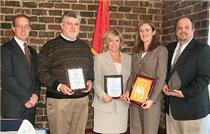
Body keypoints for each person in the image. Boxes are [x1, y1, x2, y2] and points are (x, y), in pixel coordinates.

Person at [36, 11, 94, 134]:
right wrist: (59, 86)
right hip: (59, 101)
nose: (73, 27)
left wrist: (89, 81)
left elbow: (90, 69)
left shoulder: (85, 47)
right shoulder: (50, 46)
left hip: (81, 100)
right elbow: (40, 72)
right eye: (69, 24)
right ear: (61, 26)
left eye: (76, 24)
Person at [162, 16, 210, 134]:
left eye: (187, 27)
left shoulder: (203, 49)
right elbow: (166, 72)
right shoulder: (169, 48)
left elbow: (205, 78)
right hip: (172, 111)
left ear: (193, 30)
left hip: (192, 112)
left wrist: (184, 93)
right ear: (176, 31)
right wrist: (164, 83)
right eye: (179, 28)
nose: (183, 30)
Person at [124, 21, 168, 134]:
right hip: (135, 96)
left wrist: (152, 100)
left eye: (147, 30)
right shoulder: (136, 51)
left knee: (149, 130)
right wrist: (128, 91)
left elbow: (161, 77)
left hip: (150, 100)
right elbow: (133, 74)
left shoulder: (161, 50)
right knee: (135, 129)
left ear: (153, 32)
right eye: (141, 31)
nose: (144, 33)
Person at [1, 14, 40, 126]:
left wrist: (36, 94)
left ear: (30, 29)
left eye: (26, 26)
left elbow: (37, 77)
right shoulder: (4, 50)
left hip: (31, 107)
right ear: (13, 28)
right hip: (14, 107)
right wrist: (27, 98)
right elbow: (7, 78)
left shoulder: (32, 51)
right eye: (19, 26)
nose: (23, 29)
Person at [92, 29, 131, 134]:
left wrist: (128, 92)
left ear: (121, 42)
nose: (114, 43)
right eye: (110, 40)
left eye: (117, 40)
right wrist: (102, 95)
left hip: (121, 105)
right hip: (104, 105)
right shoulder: (99, 58)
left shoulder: (129, 59)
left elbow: (131, 80)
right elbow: (95, 80)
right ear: (106, 43)